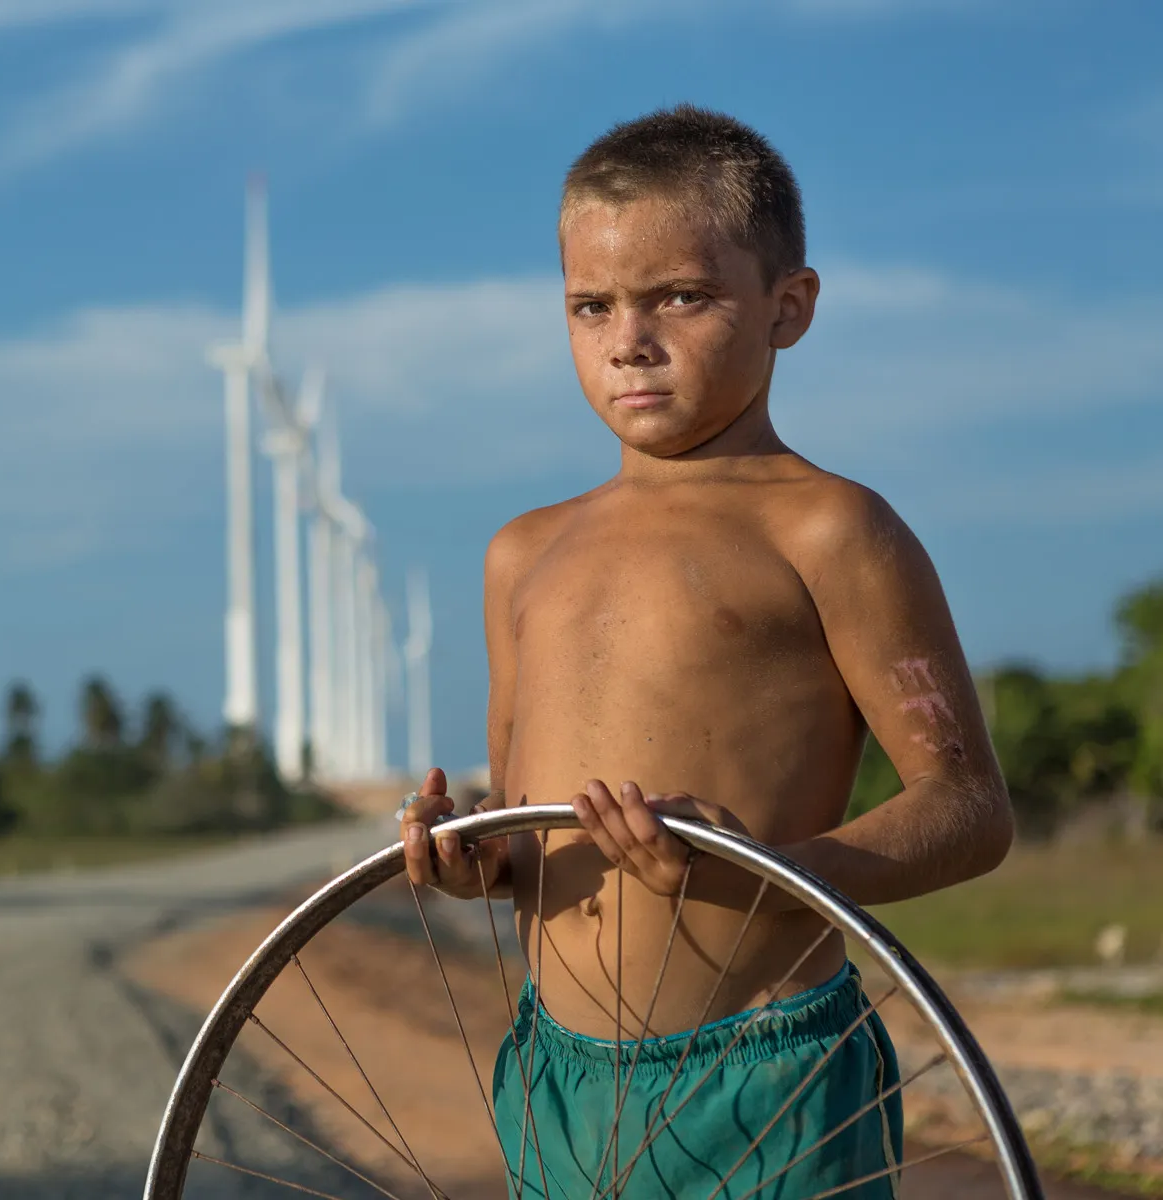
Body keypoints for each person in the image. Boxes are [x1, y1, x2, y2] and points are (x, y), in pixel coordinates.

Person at [398, 105, 1012, 1199]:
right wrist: (475, 857)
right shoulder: (521, 554)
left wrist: (777, 877)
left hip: (763, 1075)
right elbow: (526, 817)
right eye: (591, 306)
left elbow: (967, 808)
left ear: (790, 308)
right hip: (559, 1076)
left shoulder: (828, 530)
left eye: (679, 296)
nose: (629, 337)